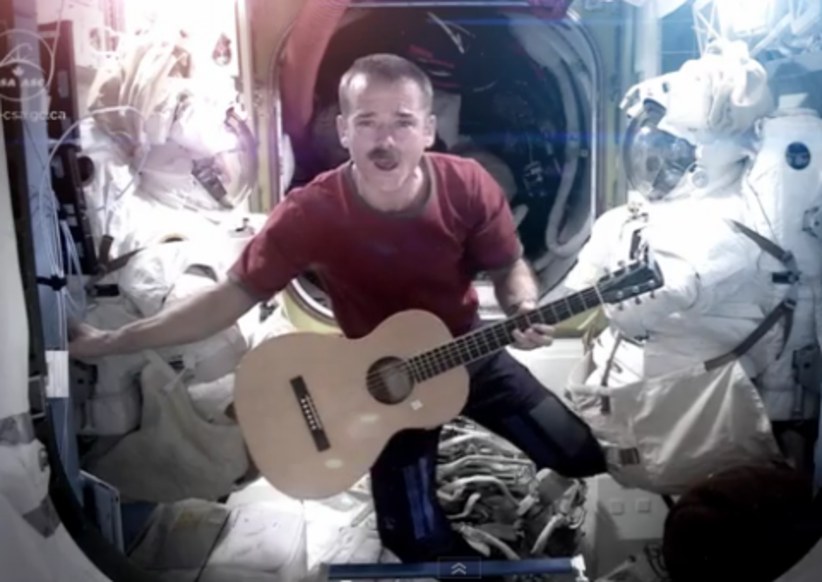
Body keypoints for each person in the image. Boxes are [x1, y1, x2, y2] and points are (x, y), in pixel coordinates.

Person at [70, 53, 607, 569]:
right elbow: (228, 297)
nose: (385, 140)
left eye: (402, 122)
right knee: (411, 536)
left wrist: (522, 304)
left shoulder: (467, 186)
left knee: (580, 453)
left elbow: (509, 265)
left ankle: (536, 512)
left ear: (428, 130)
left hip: (467, 350)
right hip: (379, 383)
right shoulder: (311, 212)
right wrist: (111, 341)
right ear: (344, 131)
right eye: (368, 122)